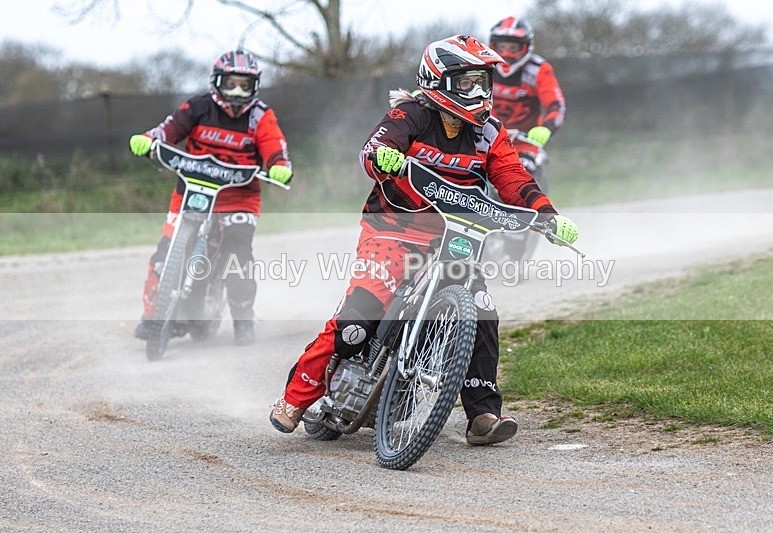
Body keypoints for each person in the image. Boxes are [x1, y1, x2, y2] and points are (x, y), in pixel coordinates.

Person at [269, 35, 579, 445]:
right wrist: (383, 157)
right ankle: (294, 400)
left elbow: (513, 177)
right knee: (357, 322)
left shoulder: (490, 133)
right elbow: (373, 148)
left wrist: (546, 215)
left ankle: (483, 416)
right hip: (392, 230)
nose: (480, 93)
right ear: (440, 82)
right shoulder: (410, 114)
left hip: (456, 235)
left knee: (481, 311)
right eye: (468, 83)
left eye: (484, 82)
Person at [129, 49, 293, 346]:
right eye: (231, 84)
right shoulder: (198, 106)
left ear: (255, 87)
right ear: (217, 82)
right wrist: (150, 139)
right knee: (163, 255)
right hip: (190, 191)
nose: (238, 91)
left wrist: (280, 166)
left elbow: (274, 145)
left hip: (238, 198)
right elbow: (170, 128)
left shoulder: (260, 116)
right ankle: (154, 316)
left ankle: (243, 319)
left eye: (246, 85)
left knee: (238, 256)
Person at [489, 16, 566, 152]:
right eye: (501, 47)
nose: (506, 53)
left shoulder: (538, 70)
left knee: (520, 172)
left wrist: (546, 128)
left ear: (526, 47)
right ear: (493, 46)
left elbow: (556, 104)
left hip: (524, 144)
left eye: (513, 48)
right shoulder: (483, 67)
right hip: (486, 141)